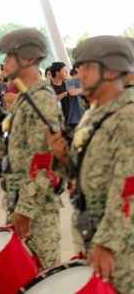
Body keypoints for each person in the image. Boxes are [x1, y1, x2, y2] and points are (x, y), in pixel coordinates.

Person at [0, 28, 63, 270]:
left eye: (10, 55)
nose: (5, 62)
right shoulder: (24, 98)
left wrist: (25, 209)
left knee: (40, 276)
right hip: (19, 202)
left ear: (28, 58)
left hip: (36, 211)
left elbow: (43, 162)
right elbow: (14, 153)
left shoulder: (41, 100)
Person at [46, 36, 134, 293]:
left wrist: (106, 243)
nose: (79, 74)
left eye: (86, 67)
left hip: (119, 245)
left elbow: (128, 189)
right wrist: (61, 154)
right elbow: (81, 171)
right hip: (91, 232)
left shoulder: (127, 117)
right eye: (78, 67)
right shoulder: (94, 114)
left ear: (111, 70)